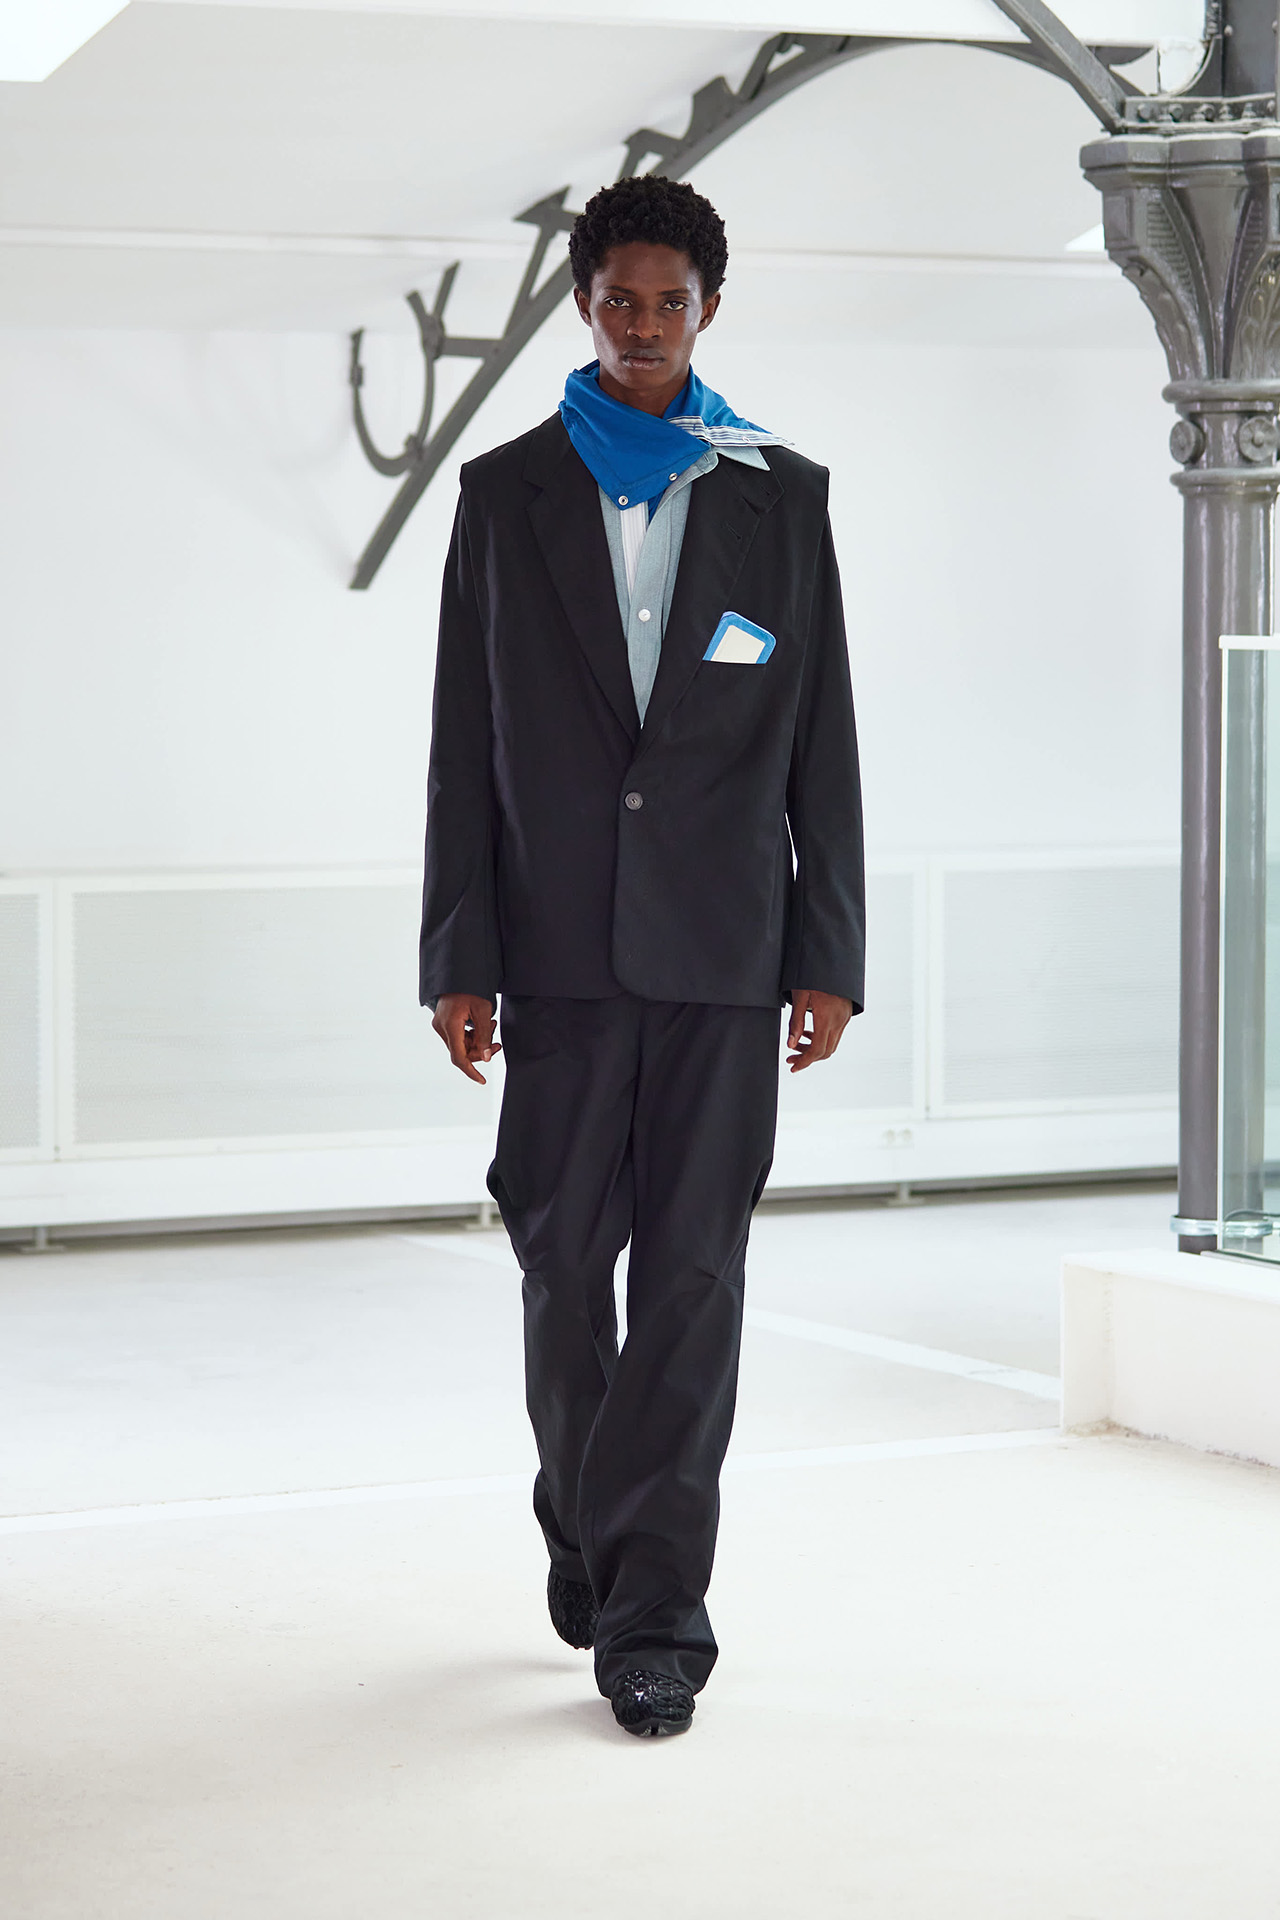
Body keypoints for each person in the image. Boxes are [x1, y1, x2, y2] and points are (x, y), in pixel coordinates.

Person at [421, 174, 864, 1738]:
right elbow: (463, 746)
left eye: (672, 301)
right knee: (560, 1264)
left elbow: (821, 737)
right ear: (584, 303)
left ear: (708, 310)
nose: (645, 324)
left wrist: (828, 949)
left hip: (726, 953)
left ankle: (657, 1617)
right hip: (554, 951)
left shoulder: (781, 496)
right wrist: (458, 955)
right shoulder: (504, 496)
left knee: (692, 1276)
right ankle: (586, 1509)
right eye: (620, 298)